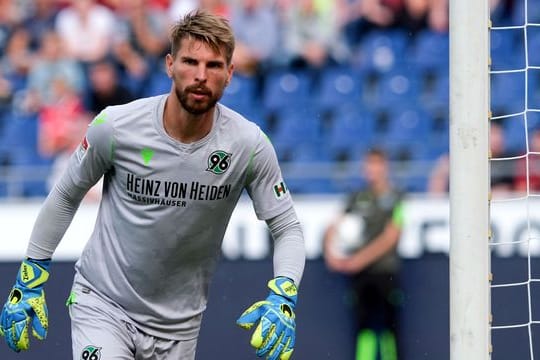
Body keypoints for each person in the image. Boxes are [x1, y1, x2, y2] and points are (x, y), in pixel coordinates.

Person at [0, 10, 305, 360]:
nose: (201, 76)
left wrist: (285, 294)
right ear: (170, 65)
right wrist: (31, 276)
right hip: (103, 305)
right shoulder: (116, 126)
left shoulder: (248, 145)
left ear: (230, 73)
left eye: (214, 66)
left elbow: (288, 227)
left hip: (179, 328)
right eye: (191, 62)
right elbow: (66, 194)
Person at [324, 148, 404, 360]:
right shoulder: (356, 198)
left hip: (385, 272)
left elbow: (391, 237)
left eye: (377, 165)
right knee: (363, 327)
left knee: (389, 328)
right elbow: (333, 226)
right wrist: (331, 254)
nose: (372, 170)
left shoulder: (396, 198)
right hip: (360, 276)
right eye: (369, 165)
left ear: (385, 167)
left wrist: (358, 261)